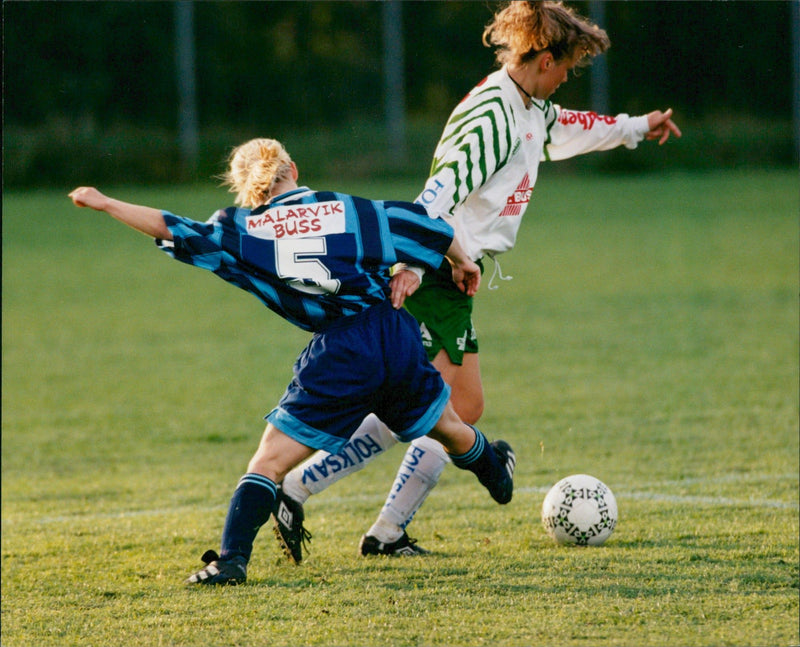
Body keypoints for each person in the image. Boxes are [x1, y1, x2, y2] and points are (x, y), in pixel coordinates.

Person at [272, 0, 681, 562]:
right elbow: (442, 188)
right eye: (567, 66)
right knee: (446, 407)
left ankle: (352, 515)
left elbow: (570, 130)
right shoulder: (494, 117)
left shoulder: (529, 106)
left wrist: (639, 126)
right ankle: (314, 497)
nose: (568, 78)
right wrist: (414, 263)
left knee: (443, 406)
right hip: (438, 270)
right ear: (541, 58)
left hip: (449, 269)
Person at [68, 137, 516, 585]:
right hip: (393, 332)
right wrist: (461, 264)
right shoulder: (348, 208)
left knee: (268, 464)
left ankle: (230, 561)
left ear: (245, 189)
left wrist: (106, 203)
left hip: (342, 351)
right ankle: (495, 471)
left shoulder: (240, 227)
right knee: (452, 429)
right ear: (293, 170)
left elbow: (170, 226)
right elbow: (427, 224)